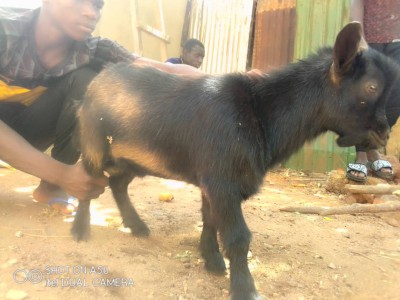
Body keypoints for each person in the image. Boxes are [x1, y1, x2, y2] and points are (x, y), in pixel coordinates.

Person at [0, 0, 203, 214]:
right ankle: (59, 179)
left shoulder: (93, 50)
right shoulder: (6, 29)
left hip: (24, 131)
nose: (90, 13)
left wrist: (231, 86)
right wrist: (63, 174)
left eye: (97, 5)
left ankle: (52, 189)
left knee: (87, 80)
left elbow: (164, 72)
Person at [347, 0, 400, 182]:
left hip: (397, 42)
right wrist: (359, 39)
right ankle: (363, 155)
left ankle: (372, 147)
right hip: (369, 43)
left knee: (395, 100)